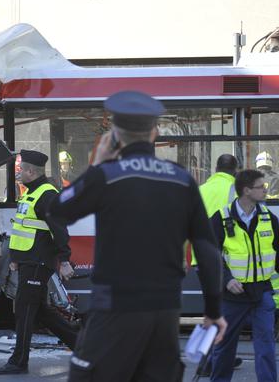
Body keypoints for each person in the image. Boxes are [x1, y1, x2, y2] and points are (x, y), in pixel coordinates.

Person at [48, 91, 227, 381]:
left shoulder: (107, 174)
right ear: (154, 132)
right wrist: (214, 311)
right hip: (165, 311)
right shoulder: (181, 178)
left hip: (115, 308)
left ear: (115, 135)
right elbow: (208, 251)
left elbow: (58, 209)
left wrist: (97, 165)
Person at [0, 149, 75, 375]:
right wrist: (16, 260)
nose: (17, 173)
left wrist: (65, 260)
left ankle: (19, 362)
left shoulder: (47, 194)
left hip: (39, 262)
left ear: (31, 171)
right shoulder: (31, 192)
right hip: (29, 261)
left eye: (21, 170)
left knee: (24, 309)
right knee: (39, 311)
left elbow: (59, 229)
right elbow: (25, 229)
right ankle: (84, 348)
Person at [209, 169, 279, 382]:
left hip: (262, 293)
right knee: (224, 348)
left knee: (266, 347)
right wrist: (227, 280)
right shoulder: (221, 218)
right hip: (233, 296)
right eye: (261, 187)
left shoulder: (269, 218)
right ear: (247, 191)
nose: (265, 190)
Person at [194, 154, 244, 376]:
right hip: (224, 260)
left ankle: (216, 358)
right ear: (235, 170)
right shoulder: (235, 190)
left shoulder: (202, 189)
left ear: (215, 168)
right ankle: (212, 361)